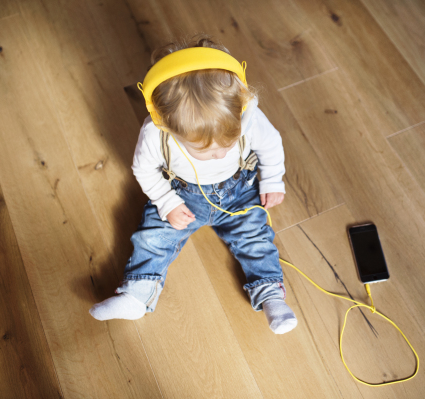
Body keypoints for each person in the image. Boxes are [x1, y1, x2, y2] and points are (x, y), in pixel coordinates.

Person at [89, 35, 297, 334]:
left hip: (239, 193)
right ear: (167, 123)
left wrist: (273, 178)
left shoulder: (247, 113)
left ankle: (271, 298)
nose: (219, 154)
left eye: (227, 144)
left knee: (255, 238)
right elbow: (144, 170)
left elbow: (271, 145)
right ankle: (136, 294)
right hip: (182, 197)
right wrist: (167, 203)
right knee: (153, 237)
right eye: (206, 150)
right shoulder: (156, 132)